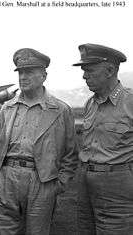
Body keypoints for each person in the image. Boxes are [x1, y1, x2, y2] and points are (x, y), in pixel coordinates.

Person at [0, 48, 78, 235]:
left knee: (37, 231)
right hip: (5, 177)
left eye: (29, 72)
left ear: (43, 76)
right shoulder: (7, 108)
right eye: (20, 72)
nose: (23, 77)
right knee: (0, 230)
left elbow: (71, 153)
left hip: (41, 180)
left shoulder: (60, 110)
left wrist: (58, 184)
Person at [73, 43, 133, 235]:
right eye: (84, 71)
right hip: (85, 181)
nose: (84, 76)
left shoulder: (130, 102)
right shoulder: (90, 103)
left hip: (117, 185)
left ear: (109, 70)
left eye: (89, 70)